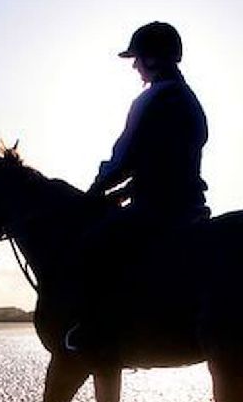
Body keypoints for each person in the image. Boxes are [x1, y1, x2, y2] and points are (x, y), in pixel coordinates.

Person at [67, 21, 209, 354]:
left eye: (138, 58)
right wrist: (123, 192)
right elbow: (162, 163)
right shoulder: (190, 99)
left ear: (154, 59)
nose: (134, 66)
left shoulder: (151, 99)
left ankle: (94, 331)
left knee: (90, 247)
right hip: (189, 202)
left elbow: (124, 158)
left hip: (158, 206)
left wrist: (95, 190)